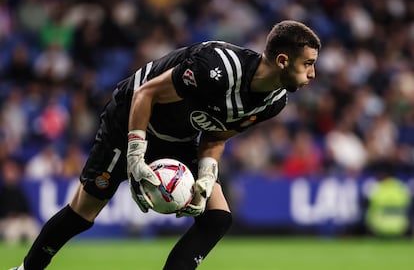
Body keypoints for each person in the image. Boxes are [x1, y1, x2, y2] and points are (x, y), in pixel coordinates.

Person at [11, 20, 321, 270]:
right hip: (129, 121)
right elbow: (145, 94)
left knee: (218, 216)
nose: (312, 73)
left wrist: (207, 174)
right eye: (308, 63)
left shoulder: (274, 101)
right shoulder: (217, 67)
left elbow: (216, 134)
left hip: (179, 136)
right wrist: (135, 153)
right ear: (283, 61)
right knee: (84, 211)